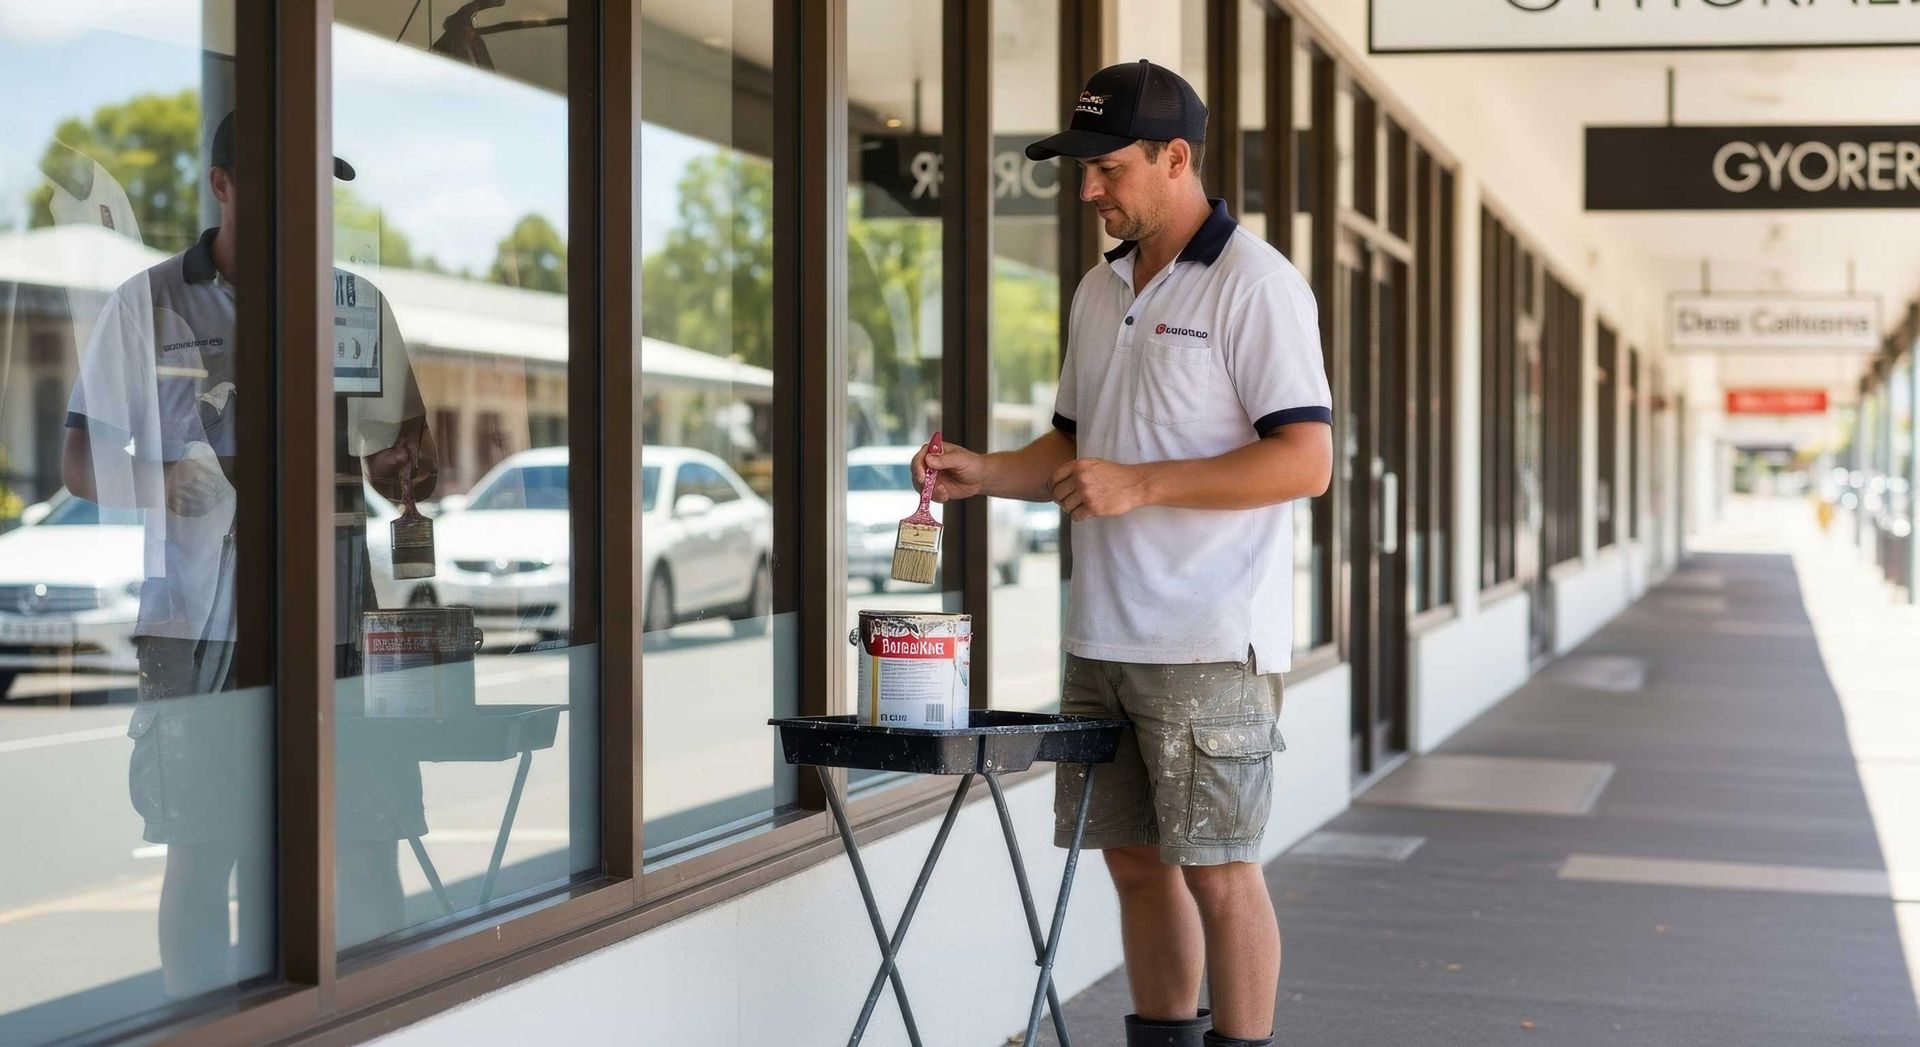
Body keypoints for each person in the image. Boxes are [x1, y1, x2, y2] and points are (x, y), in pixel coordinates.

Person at [913, 61, 1332, 1047]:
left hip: (1207, 639)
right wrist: (987, 471)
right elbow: (1072, 445)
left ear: (1174, 157)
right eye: (1083, 170)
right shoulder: (1098, 292)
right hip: (1102, 637)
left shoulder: (1257, 286)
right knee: (1133, 864)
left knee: (1220, 870)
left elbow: (1305, 459)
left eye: (1106, 169)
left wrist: (1142, 482)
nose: (1089, 190)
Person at [60, 112, 438, 994]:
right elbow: (80, 461)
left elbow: (405, 466)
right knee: (203, 856)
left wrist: (402, 467)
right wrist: (165, 480)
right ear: (222, 185)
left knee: (368, 841)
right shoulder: (150, 301)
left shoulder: (354, 305)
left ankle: (377, 1017)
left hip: (340, 625)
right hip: (201, 631)